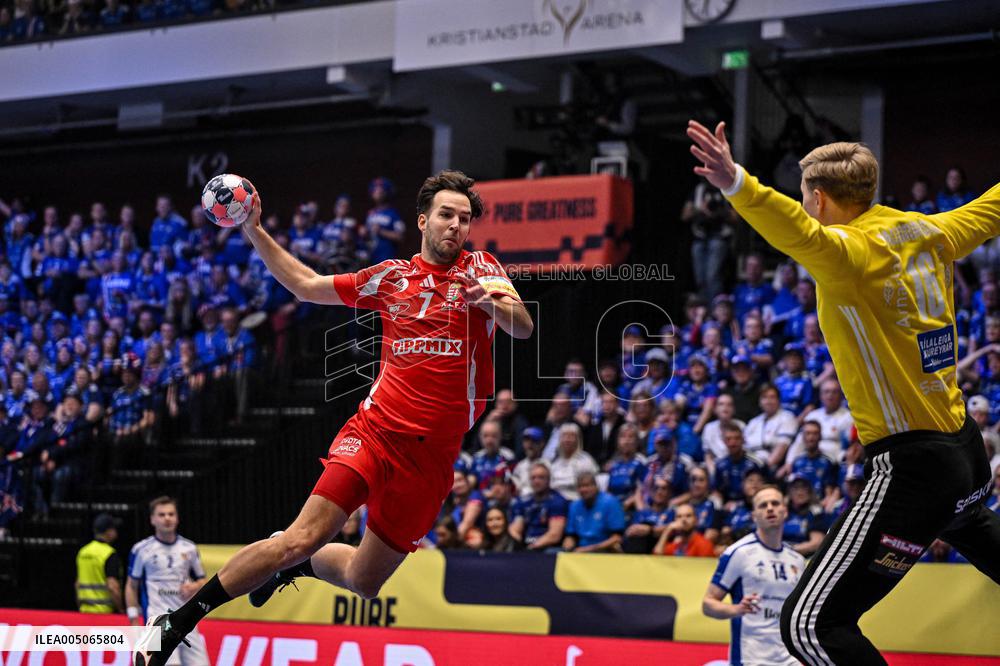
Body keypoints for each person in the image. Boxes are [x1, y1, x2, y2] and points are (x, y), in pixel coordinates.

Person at [134, 170, 532, 666]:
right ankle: (177, 622)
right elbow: (305, 285)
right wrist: (254, 228)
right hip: (375, 434)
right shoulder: (390, 278)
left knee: (364, 582)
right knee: (300, 538)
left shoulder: (482, 268)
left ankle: (293, 566)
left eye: (465, 218)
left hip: (431, 462)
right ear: (423, 221)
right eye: (447, 215)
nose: (457, 226)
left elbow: (523, 326)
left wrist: (490, 302)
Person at [688, 119, 1000, 664]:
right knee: (967, 521)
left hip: (911, 465)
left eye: (806, 197)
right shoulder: (931, 232)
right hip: (965, 451)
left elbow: (796, 232)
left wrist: (736, 181)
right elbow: (992, 207)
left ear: (821, 199)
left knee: (810, 624)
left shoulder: (847, 254)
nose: (805, 206)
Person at [703, 485, 805, 666]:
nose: (770, 508)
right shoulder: (739, 553)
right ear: (754, 516)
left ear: (785, 511)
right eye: (763, 505)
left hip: (789, 659)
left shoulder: (796, 560)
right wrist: (737, 609)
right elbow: (708, 604)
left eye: (775, 503)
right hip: (750, 658)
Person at [126, 497, 210, 666]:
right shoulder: (142, 549)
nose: (167, 518)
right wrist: (134, 619)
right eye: (162, 514)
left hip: (187, 617)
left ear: (177, 518)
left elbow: (203, 580)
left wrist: (194, 586)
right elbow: (131, 585)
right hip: (157, 620)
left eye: (171, 514)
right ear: (152, 519)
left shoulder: (189, 548)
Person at [509, 462, 568, 551]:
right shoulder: (523, 501)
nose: (536, 481)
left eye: (541, 477)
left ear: (549, 480)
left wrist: (531, 548)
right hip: (525, 545)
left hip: (547, 547)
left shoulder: (557, 501)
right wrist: (518, 543)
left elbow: (554, 535)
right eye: (533, 478)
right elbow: (515, 528)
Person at [562, 472, 625, 553]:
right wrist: (568, 544)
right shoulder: (574, 506)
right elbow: (571, 535)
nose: (583, 490)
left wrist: (590, 549)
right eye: (580, 486)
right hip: (581, 549)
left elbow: (617, 538)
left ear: (596, 487)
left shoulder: (610, 502)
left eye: (587, 486)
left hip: (605, 549)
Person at [76, 513, 124, 614]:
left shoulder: (83, 552)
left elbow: (78, 584)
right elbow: (112, 586)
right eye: (114, 528)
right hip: (104, 613)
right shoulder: (109, 553)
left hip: (84, 612)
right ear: (108, 532)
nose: (116, 531)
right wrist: (121, 609)